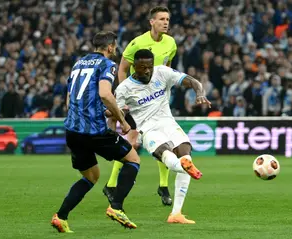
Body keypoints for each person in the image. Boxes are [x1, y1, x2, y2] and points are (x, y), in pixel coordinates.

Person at [51, 31, 140, 232]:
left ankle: (61, 216)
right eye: (115, 47)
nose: (115, 50)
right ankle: (116, 207)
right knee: (133, 159)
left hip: (73, 130)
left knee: (91, 176)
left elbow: (70, 100)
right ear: (110, 47)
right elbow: (105, 94)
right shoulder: (107, 64)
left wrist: (105, 112)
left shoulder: (78, 64)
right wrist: (122, 120)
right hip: (94, 131)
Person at [110, 49, 210, 224]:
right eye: (142, 67)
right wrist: (119, 122)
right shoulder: (124, 88)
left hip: (168, 122)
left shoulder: (162, 72)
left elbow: (193, 81)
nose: (147, 71)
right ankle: (182, 165)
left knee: (186, 152)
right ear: (134, 66)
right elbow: (113, 112)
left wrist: (200, 93)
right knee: (168, 156)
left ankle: (176, 214)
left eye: (149, 66)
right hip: (148, 129)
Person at [103, 6, 177, 206]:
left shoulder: (171, 43)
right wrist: (124, 98)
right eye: (161, 19)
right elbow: (123, 69)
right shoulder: (137, 43)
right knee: (132, 142)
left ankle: (163, 186)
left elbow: (166, 69)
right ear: (151, 22)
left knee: (165, 142)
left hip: (159, 102)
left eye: (167, 19)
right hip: (139, 102)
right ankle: (111, 185)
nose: (166, 22)